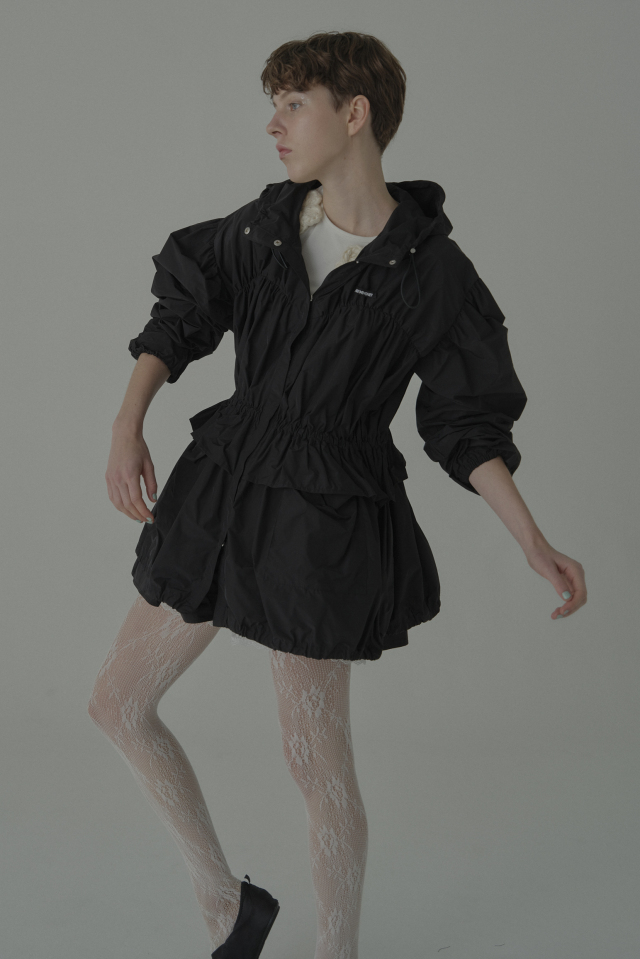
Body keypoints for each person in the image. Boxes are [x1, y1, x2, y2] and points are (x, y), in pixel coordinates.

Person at [88, 29, 587, 959]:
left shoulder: (430, 272)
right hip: (225, 486)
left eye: (293, 105)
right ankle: (226, 904)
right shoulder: (265, 225)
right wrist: (128, 421)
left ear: (354, 115)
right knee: (117, 701)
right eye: (274, 105)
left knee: (313, 757)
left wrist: (531, 538)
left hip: (324, 517)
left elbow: (466, 422)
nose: (273, 125)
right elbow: (184, 311)